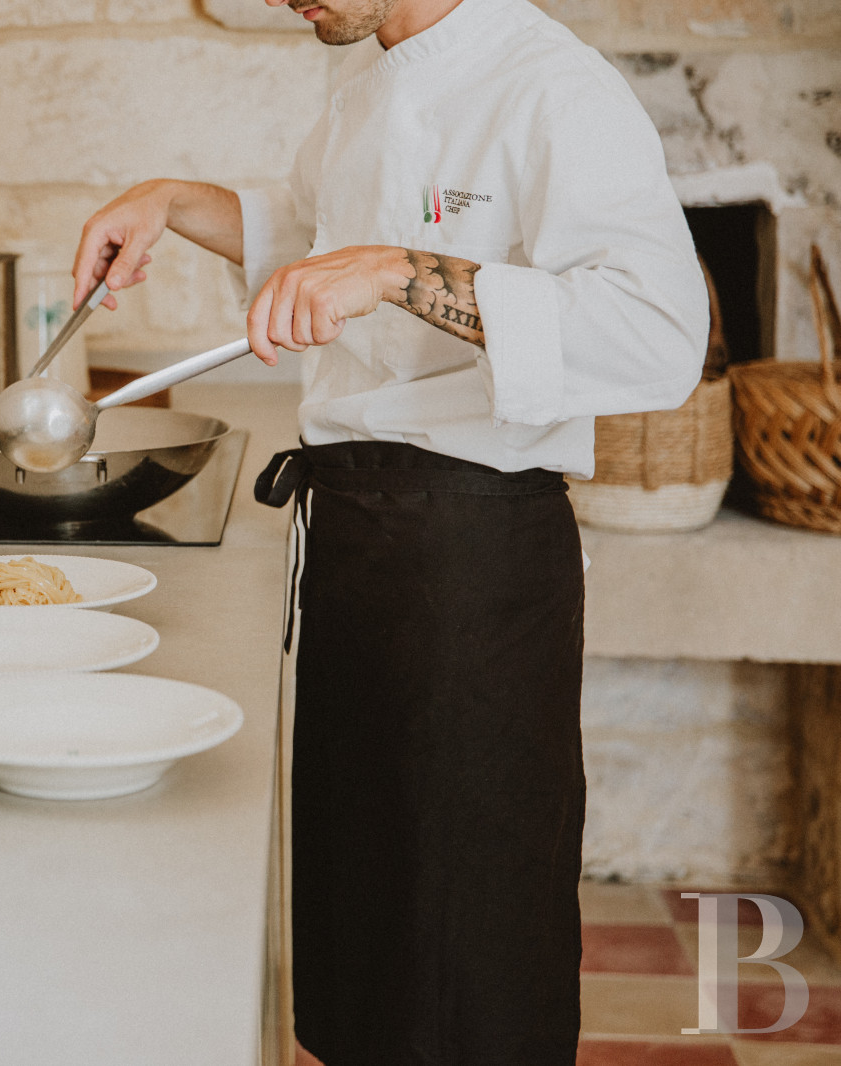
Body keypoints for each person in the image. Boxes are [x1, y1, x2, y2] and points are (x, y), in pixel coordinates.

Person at [68, 0, 708, 1062]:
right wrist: (172, 199)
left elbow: (655, 334)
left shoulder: (554, 86)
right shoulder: (370, 78)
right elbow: (310, 235)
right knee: (370, 935)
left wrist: (396, 271)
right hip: (362, 541)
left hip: (474, 567)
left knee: (463, 953)